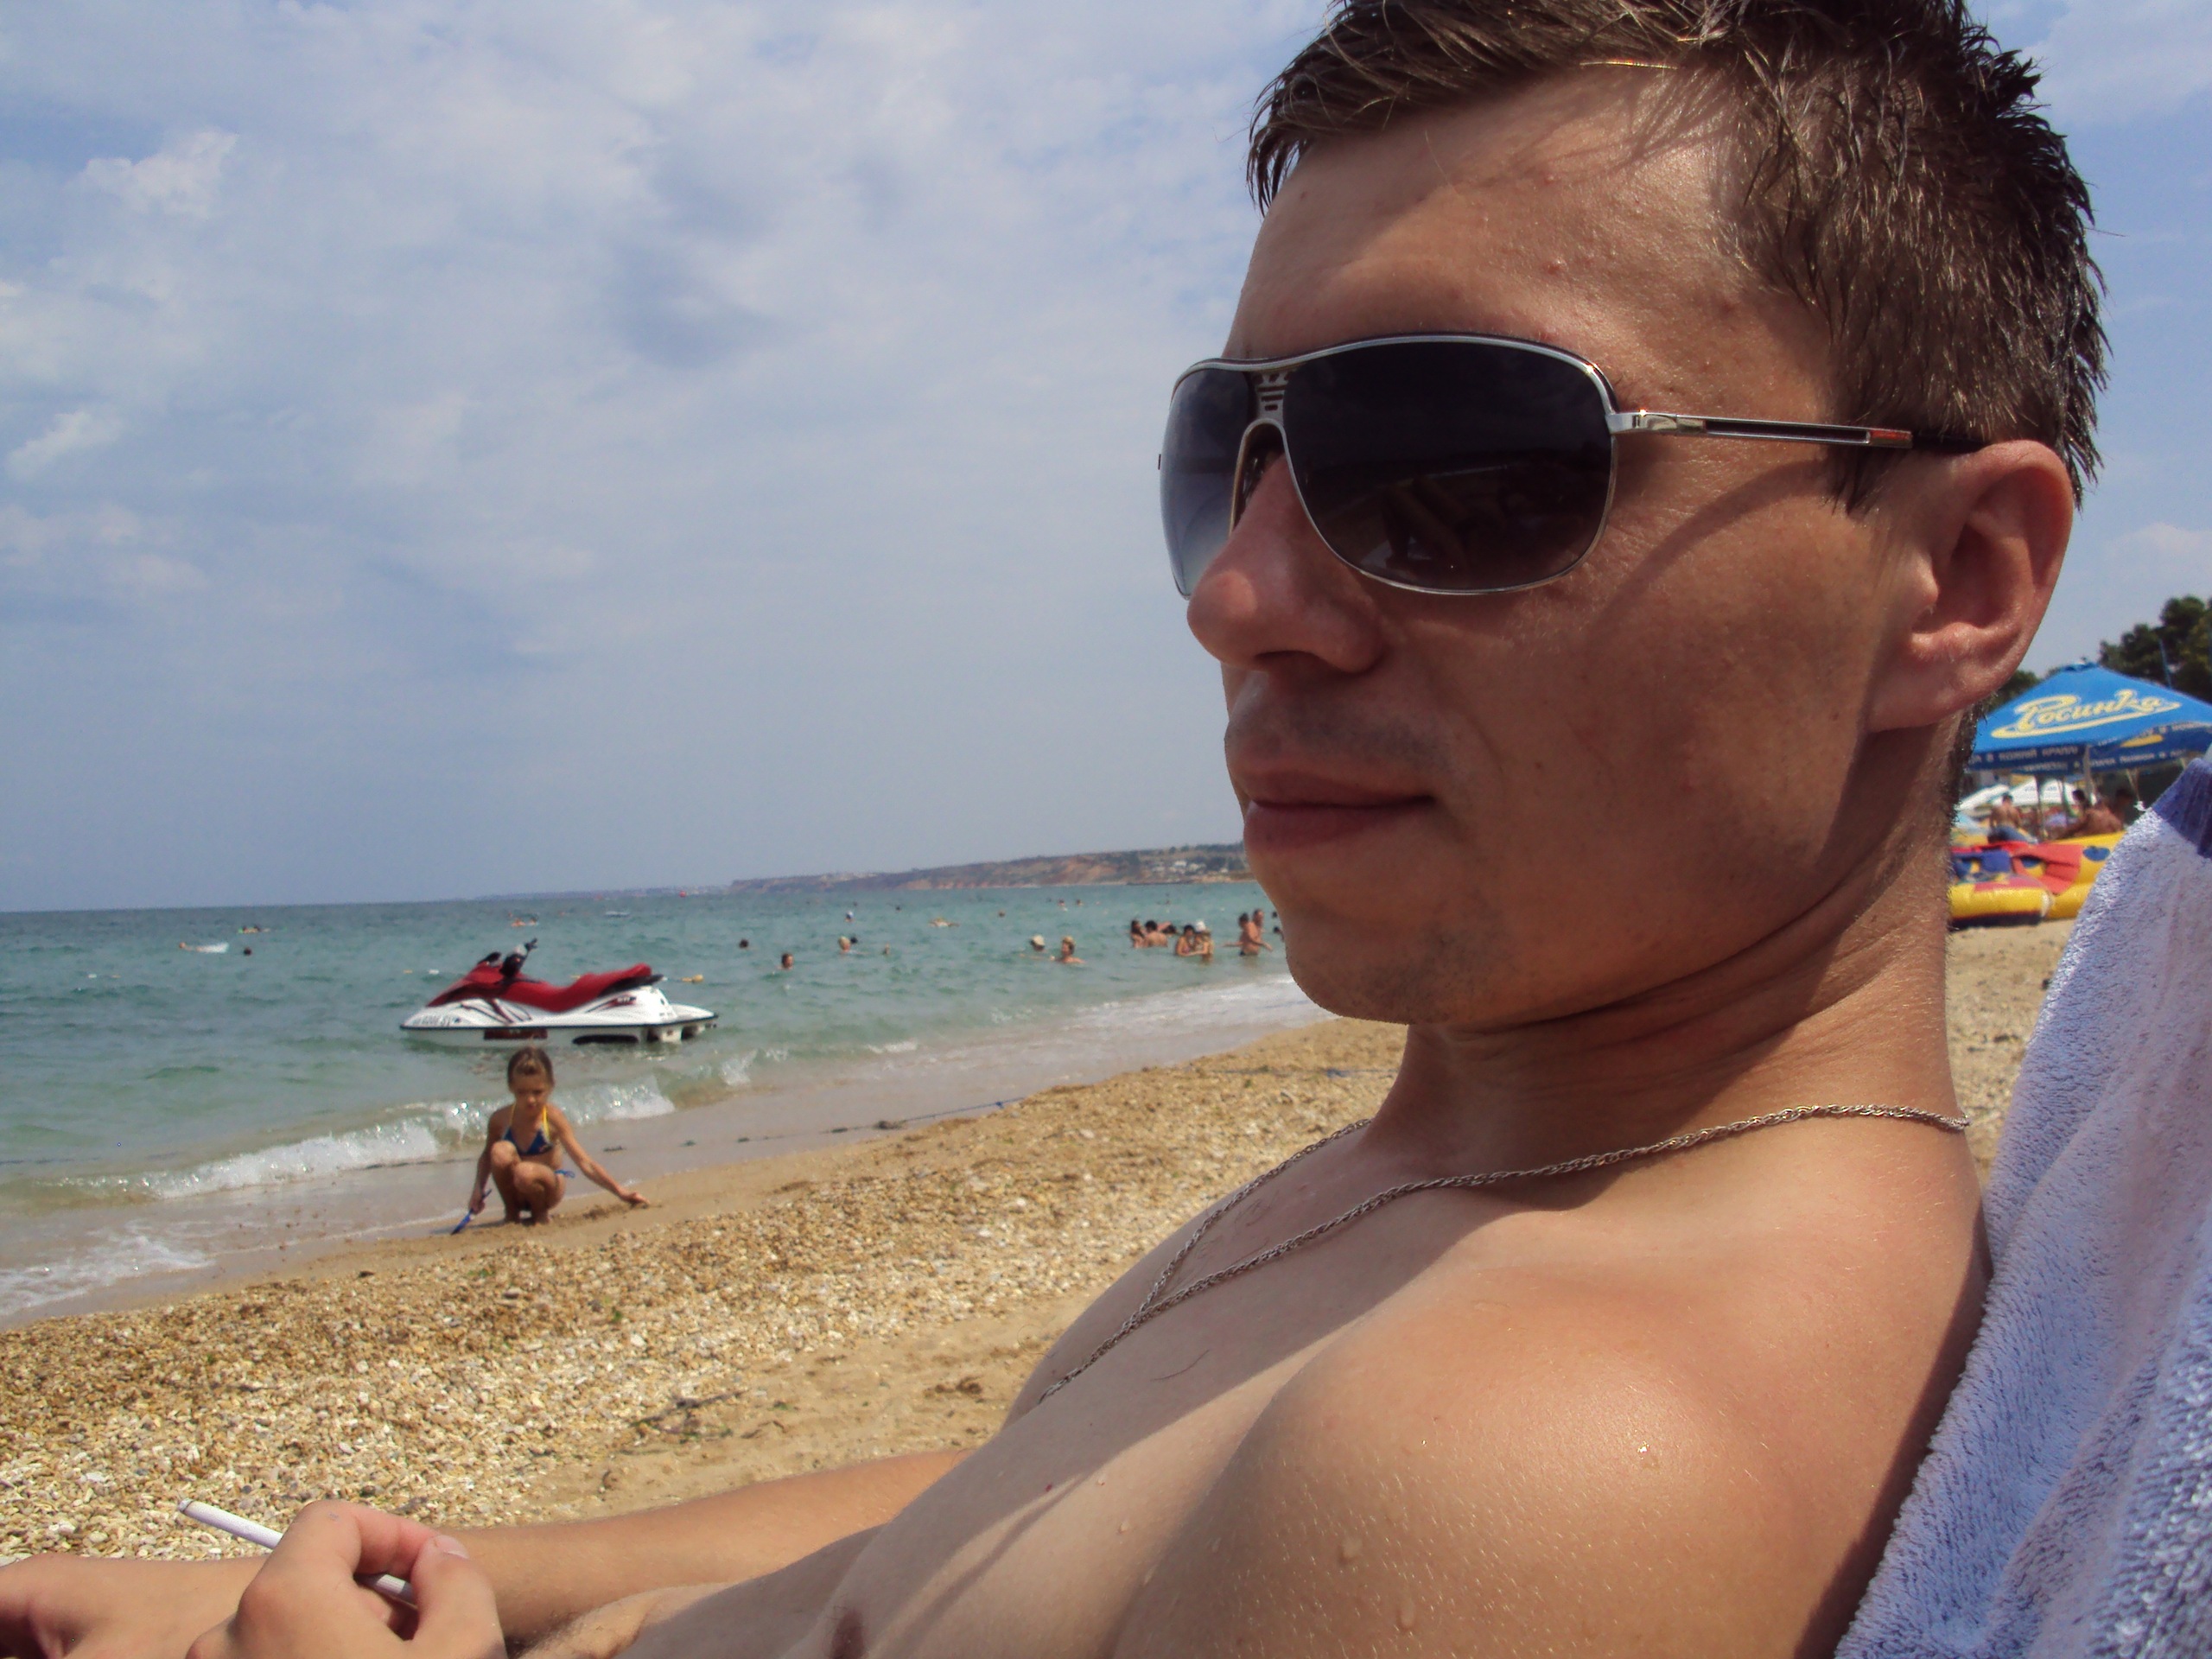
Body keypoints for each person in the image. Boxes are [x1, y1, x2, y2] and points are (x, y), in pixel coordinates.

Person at [1, 3, 2099, 1654]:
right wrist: (447, 1575)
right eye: (1232, 452)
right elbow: (1040, 1488)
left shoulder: (1540, 1457)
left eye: (1454, 459)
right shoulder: (1485, 1185)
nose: (1238, 596)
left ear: (1955, 580)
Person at [467, 1047, 647, 1226]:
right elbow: (486, 1158)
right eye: (522, 1092)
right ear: (511, 1087)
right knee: (499, 1151)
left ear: (550, 1087)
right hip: (517, 1189)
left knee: (525, 1172)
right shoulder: (501, 1119)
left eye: (537, 1092)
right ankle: (511, 1213)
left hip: (549, 1187)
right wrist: (478, 1189)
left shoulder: (552, 1118)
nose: (530, 1100)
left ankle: (540, 1215)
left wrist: (621, 1192)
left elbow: (585, 1163)